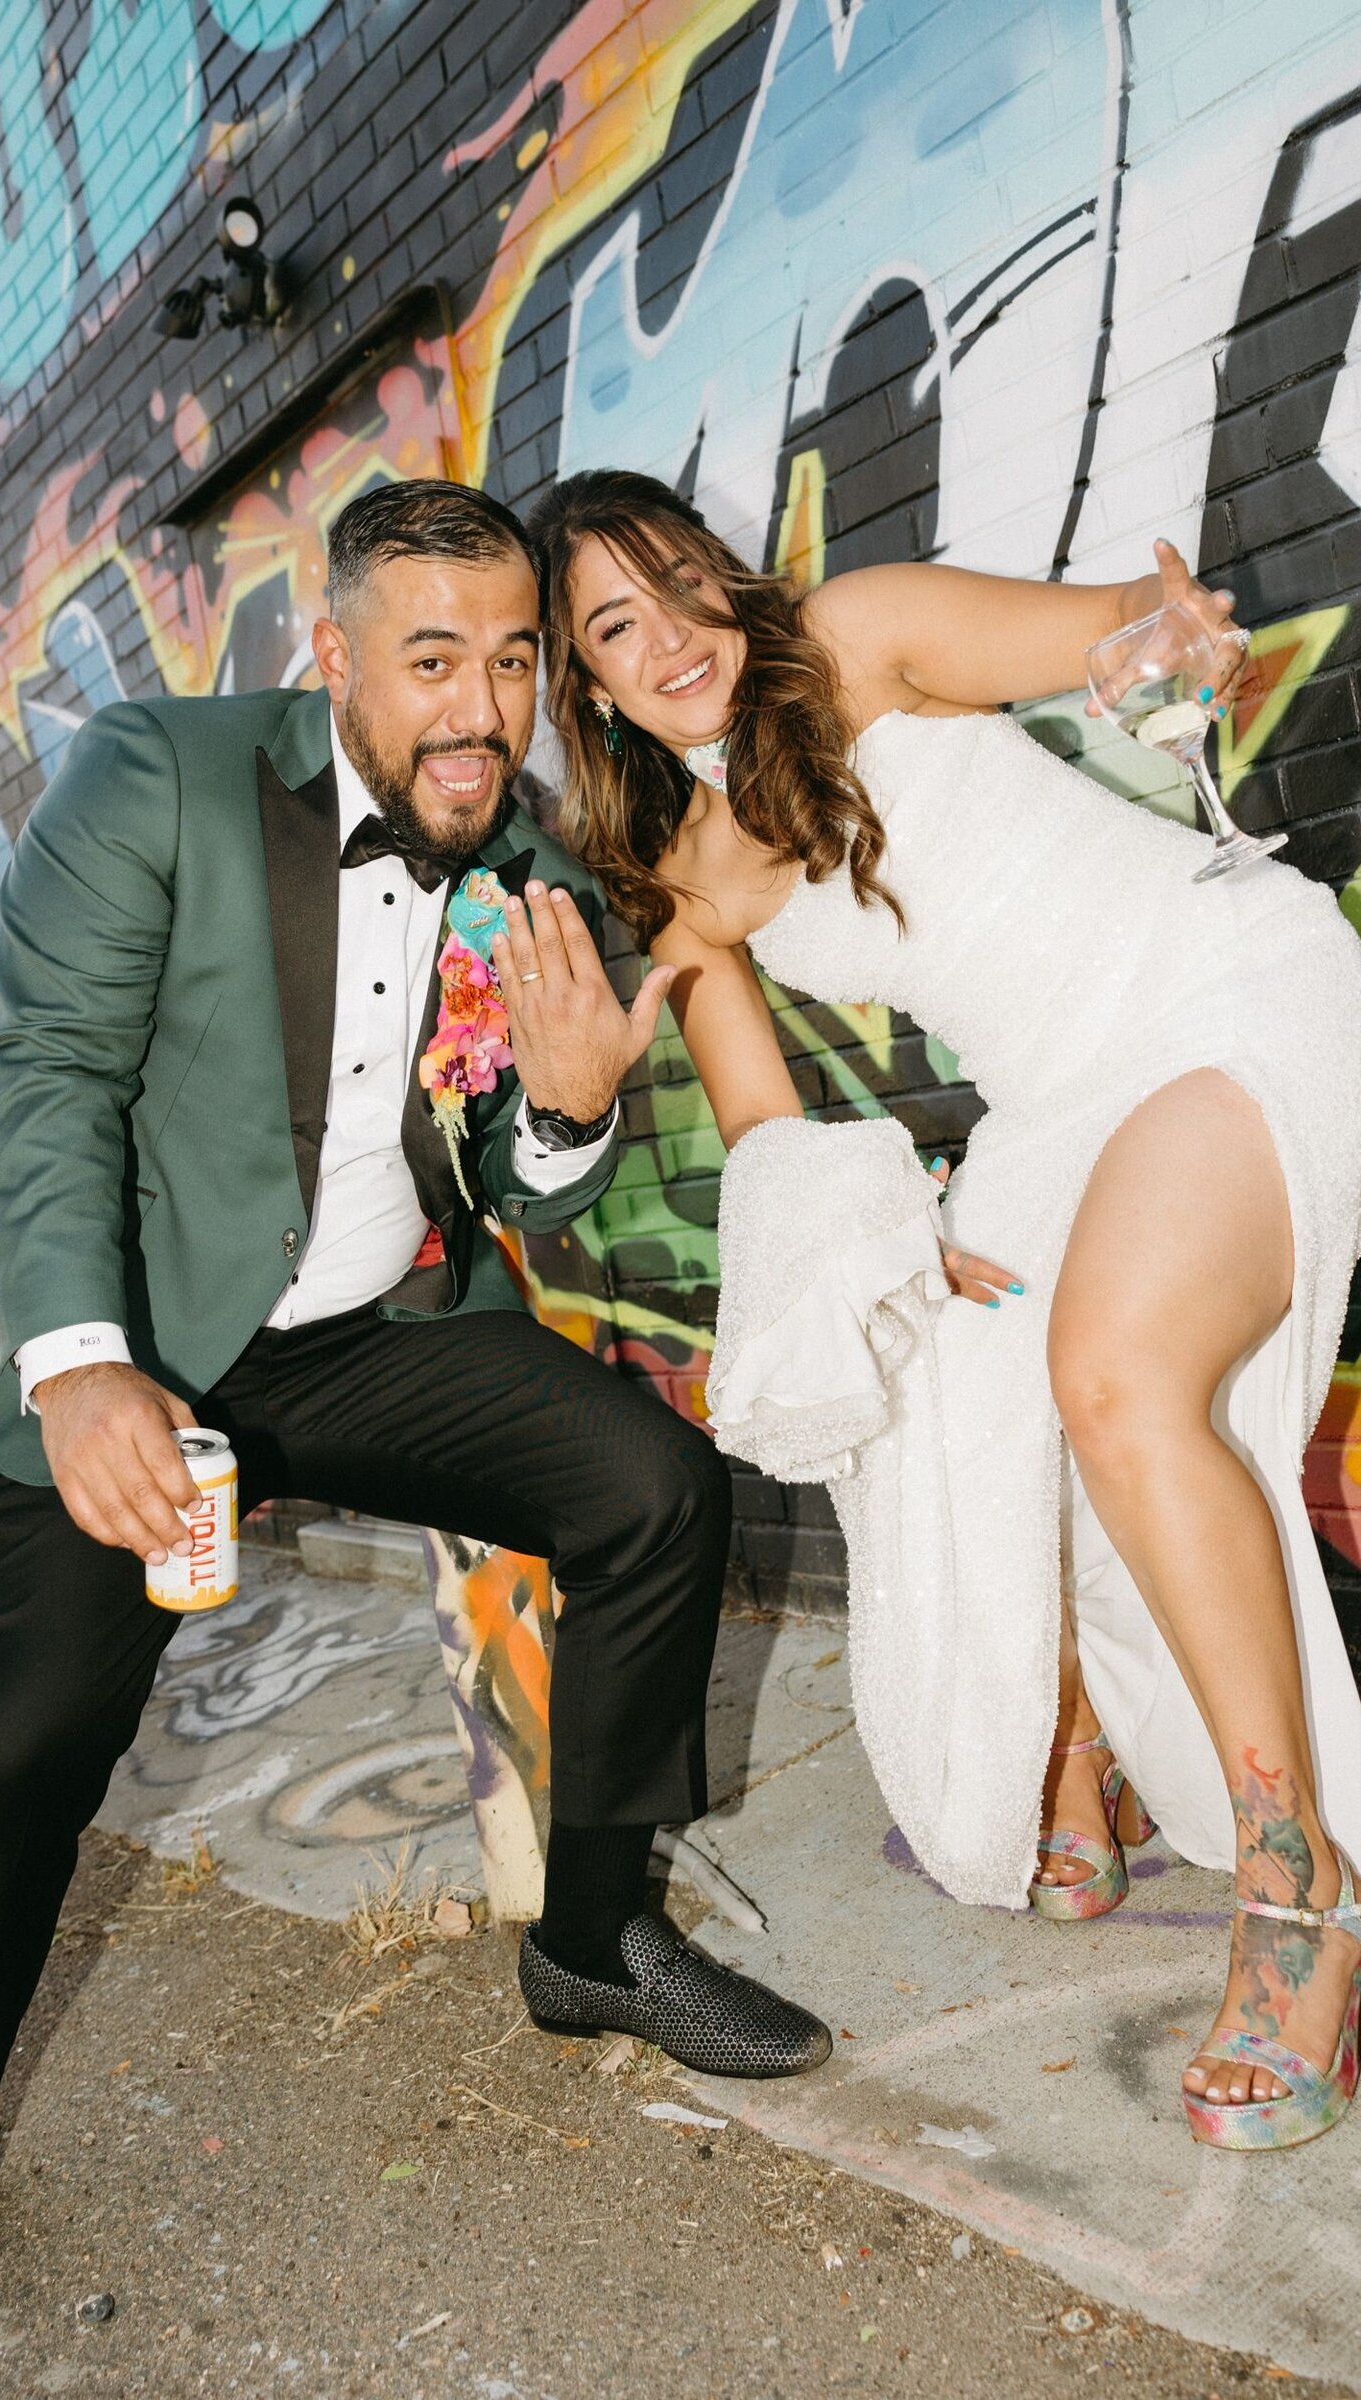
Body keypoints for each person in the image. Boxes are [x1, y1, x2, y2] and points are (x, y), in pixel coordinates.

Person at [0, 480, 832, 2400]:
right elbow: (50, 1078)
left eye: (514, 659)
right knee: (15, 1755)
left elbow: (514, 1166)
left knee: (654, 1494)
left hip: (367, 1338)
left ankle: (592, 1934)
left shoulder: (524, 864)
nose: (480, 706)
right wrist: (85, 1367)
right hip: (135, 1345)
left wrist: (579, 1111)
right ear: (330, 653)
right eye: (433, 658)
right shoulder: (156, 775)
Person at [527, 466, 1361, 2154]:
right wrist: (874, 1222)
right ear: (590, 686)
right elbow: (770, 1135)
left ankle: (1299, 1894)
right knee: (947, 1368)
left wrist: (1158, 647)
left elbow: (1109, 634)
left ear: (731, 579)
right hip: (1050, 1110)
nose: (672, 637)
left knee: (1115, 1375)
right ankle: (1077, 1744)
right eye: (618, 626)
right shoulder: (687, 877)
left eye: (683, 585)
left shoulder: (858, 634)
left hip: (1221, 986)